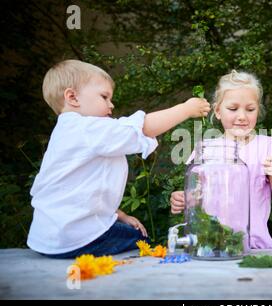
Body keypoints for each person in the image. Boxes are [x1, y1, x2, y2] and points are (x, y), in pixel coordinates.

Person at [27, 59, 210, 258]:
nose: (111, 104)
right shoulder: (87, 128)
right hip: (76, 239)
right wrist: (185, 109)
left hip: (47, 237)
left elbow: (76, 193)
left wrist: (118, 215)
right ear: (72, 97)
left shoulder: (67, 132)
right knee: (140, 240)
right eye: (104, 97)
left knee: (126, 231)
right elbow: (142, 127)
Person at [170, 70, 272, 249]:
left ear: (258, 110)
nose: (242, 116)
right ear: (217, 111)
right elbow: (194, 196)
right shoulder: (203, 150)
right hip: (210, 245)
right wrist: (182, 199)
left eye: (250, 109)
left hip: (254, 246)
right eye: (233, 109)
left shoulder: (268, 146)